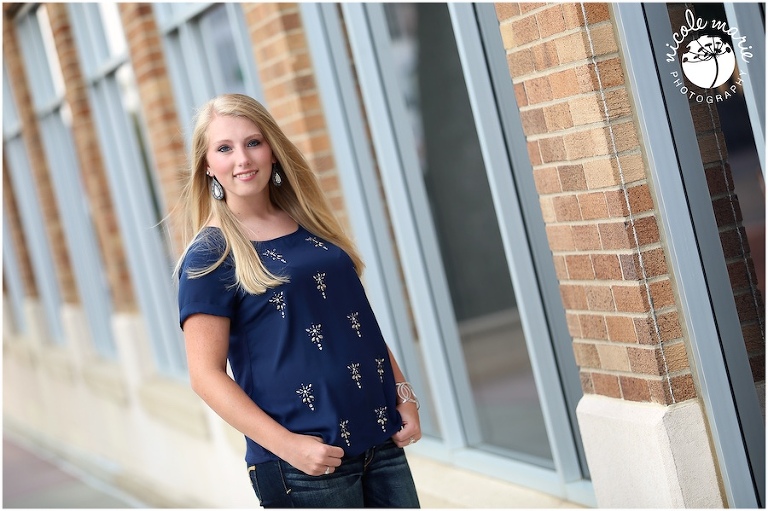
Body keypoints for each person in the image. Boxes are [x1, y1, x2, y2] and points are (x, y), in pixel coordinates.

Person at [175, 93, 422, 508]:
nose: (242, 159)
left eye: (253, 142)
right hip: (305, 464)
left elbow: (357, 323)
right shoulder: (210, 254)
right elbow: (206, 376)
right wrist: (289, 447)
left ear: (272, 148)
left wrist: (404, 395)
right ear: (208, 167)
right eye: (224, 148)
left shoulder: (311, 223)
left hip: (380, 442)